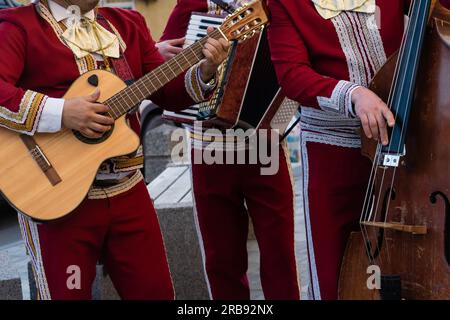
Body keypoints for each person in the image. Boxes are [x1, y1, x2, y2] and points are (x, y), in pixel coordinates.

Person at [0, 0, 229, 299]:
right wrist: (63, 112)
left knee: (155, 292)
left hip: (128, 191)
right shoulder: (19, 26)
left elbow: (167, 91)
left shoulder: (127, 24)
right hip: (56, 200)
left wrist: (206, 70)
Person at [268, 0, 450, 300]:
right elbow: (291, 74)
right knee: (333, 272)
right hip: (333, 150)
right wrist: (353, 94)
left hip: (405, 140)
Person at [159, 0, 301, 300]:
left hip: (265, 145)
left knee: (280, 257)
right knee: (221, 258)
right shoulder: (194, 4)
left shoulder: (278, 5)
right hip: (208, 147)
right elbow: (165, 63)